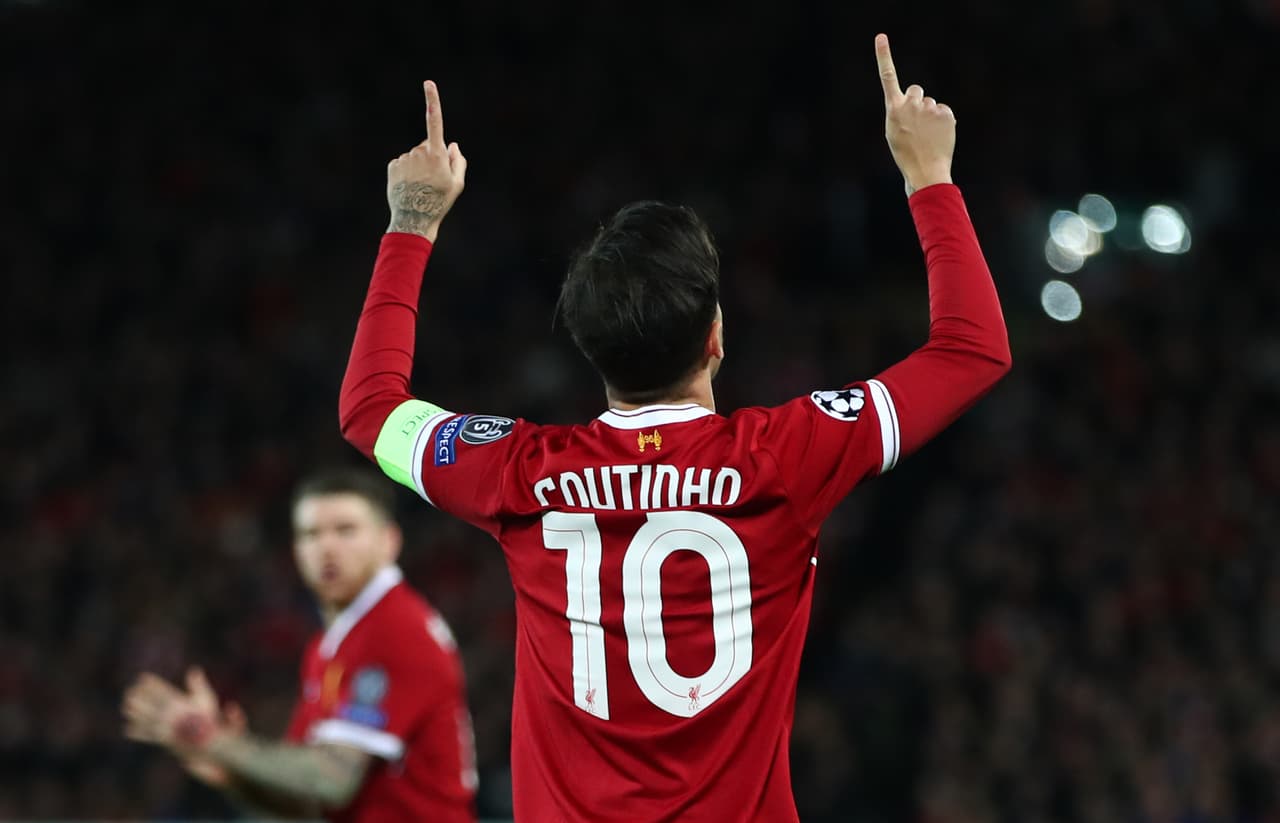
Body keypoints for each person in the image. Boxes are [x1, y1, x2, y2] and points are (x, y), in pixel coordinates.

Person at [338, 33, 1010, 822]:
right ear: (716, 336)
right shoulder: (787, 457)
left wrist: (410, 224)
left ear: (590, 351)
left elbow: (370, 407)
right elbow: (972, 349)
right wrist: (929, 175)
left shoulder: (520, 470)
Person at [121, 469, 477, 823]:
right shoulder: (330, 645)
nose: (327, 548)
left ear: (389, 541)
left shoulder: (396, 629)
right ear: (296, 550)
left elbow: (333, 779)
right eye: (311, 534)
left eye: (346, 531)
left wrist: (214, 740)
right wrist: (231, 767)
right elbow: (304, 803)